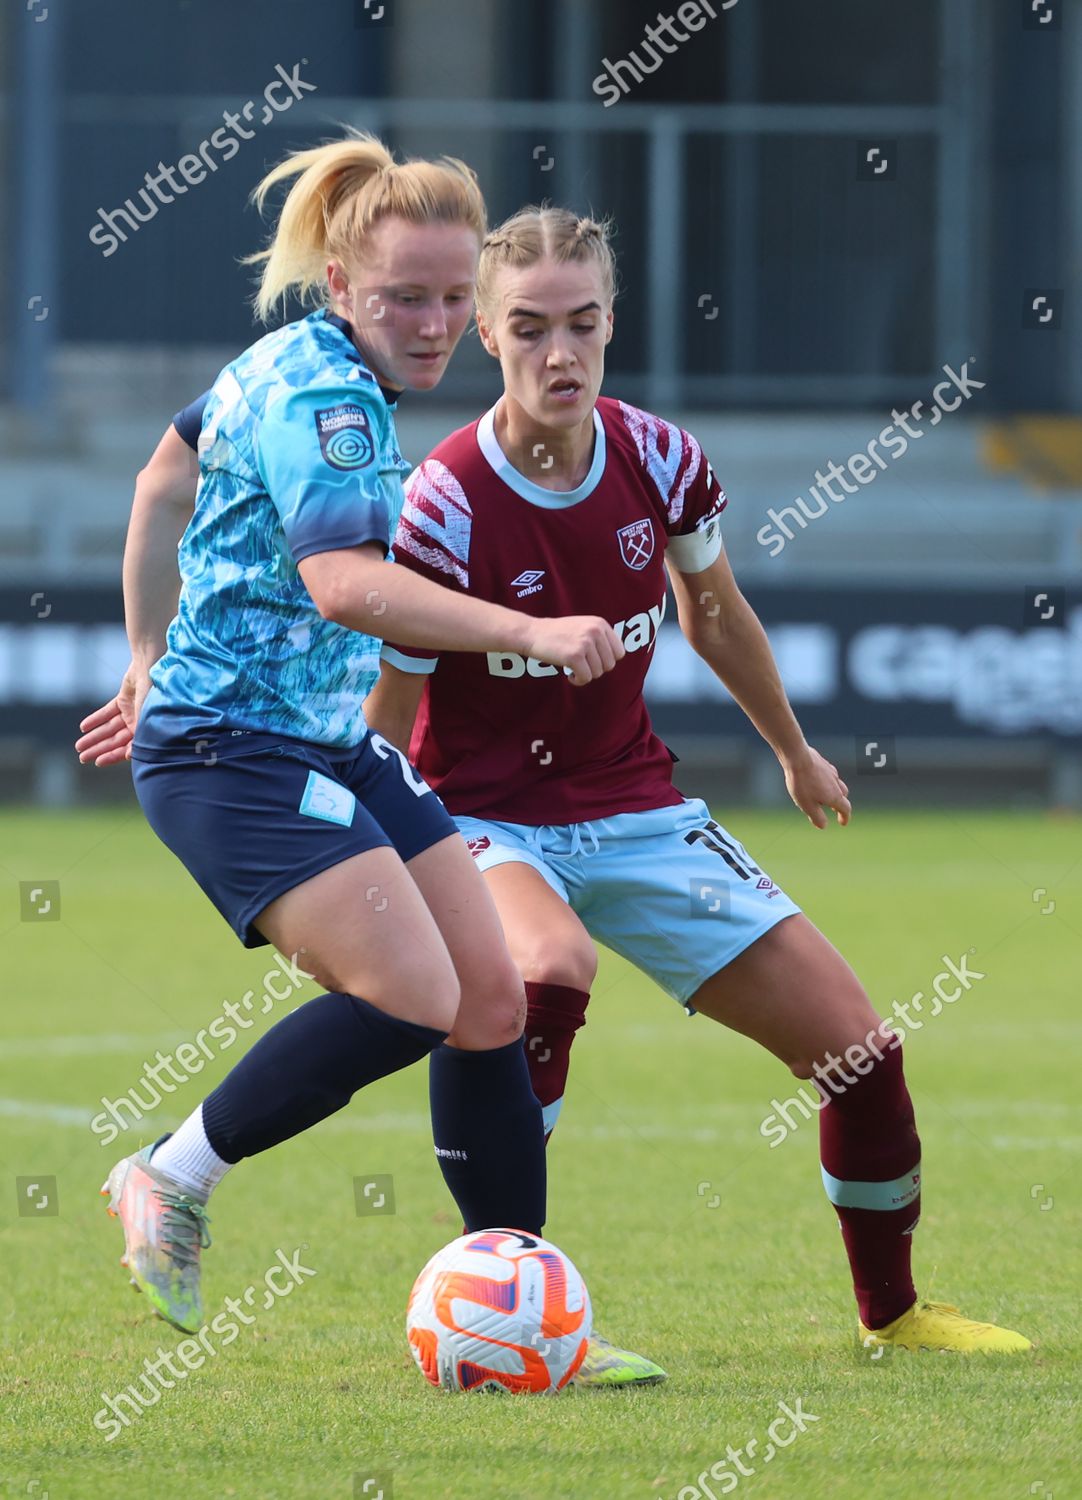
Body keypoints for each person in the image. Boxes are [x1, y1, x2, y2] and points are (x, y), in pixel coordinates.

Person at [357, 205, 1032, 1356]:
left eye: (580, 325)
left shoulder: (658, 457)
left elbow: (711, 615)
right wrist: (376, 850)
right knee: (544, 971)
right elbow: (391, 707)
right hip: (480, 817)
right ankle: (504, 1313)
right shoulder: (444, 499)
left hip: (634, 808)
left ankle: (897, 1316)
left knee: (861, 1051)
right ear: (484, 332)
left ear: (611, 322)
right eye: (528, 328)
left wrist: (789, 747)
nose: (558, 354)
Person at [78, 137, 662, 1387]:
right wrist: (526, 630)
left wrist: (142, 649)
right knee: (416, 994)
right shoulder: (328, 400)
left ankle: (519, 1307)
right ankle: (168, 1179)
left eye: (456, 297)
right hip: (232, 756)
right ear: (340, 284)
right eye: (407, 297)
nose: (438, 322)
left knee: (492, 999)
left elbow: (160, 478)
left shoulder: (275, 361)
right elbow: (342, 585)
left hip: (324, 746)